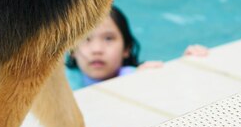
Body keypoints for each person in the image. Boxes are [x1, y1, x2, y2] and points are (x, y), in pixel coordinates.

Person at [66, 6, 208, 89]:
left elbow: (173, 89)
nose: (97, 49)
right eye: (86, 39)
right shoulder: (64, 79)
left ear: (127, 49)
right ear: (71, 50)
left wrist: (186, 68)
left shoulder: (133, 76)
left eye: (108, 38)